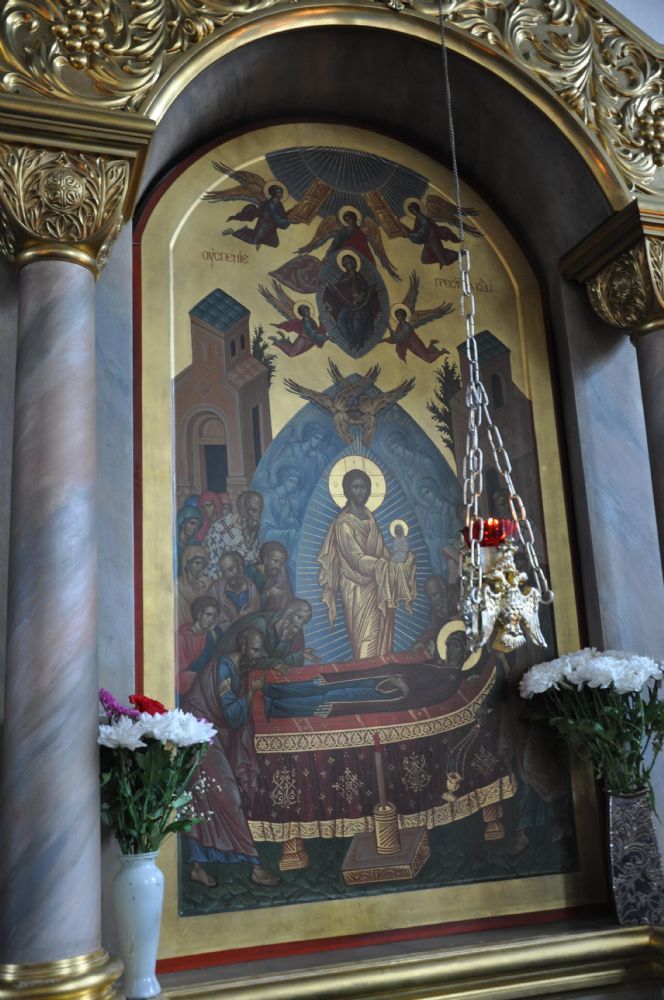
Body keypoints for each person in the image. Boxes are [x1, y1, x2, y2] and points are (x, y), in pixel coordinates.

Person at [182, 627, 280, 888]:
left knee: (204, 798)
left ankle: (197, 866)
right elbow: (232, 715)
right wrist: (251, 693)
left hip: (210, 733)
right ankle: (255, 866)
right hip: (201, 735)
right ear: (243, 647)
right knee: (228, 796)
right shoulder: (224, 669)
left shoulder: (235, 667)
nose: (259, 655)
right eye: (255, 649)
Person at [317, 469, 417, 659]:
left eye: (364, 487)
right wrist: (385, 566)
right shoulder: (343, 524)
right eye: (356, 487)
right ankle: (365, 673)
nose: (360, 491)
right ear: (348, 490)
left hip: (378, 583)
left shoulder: (369, 517)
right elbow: (356, 559)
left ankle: (382, 672)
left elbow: (380, 550)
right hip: (357, 588)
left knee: (382, 637)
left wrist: (397, 561)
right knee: (366, 637)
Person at [218, 599, 319, 673]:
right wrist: (273, 664)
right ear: (289, 611)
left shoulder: (286, 637)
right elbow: (252, 658)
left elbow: (280, 663)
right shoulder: (260, 623)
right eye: (299, 617)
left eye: (304, 621)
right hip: (230, 671)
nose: (300, 624)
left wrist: (300, 655)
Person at [322, 254, 380, 353]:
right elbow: (338, 289)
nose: (347, 266)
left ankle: (358, 344)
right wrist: (329, 286)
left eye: (348, 263)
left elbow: (366, 290)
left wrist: (363, 299)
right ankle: (351, 341)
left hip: (360, 306)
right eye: (345, 264)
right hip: (346, 305)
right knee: (340, 322)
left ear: (354, 264)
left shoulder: (359, 277)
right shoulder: (344, 277)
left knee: (357, 322)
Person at [205, 490, 263, 577]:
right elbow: (212, 568)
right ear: (243, 510)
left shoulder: (253, 529)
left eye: (260, 512)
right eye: (254, 511)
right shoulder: (217, 530)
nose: (257, 517)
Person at [176, 596, 222, 696]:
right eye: (208, 615)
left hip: (208, 678)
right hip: (189, 682)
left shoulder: (214, 633)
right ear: (199, 614)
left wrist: (213, 637)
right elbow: (180, 673)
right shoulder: (182, 636)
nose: (211, 620)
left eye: (214, 617)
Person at [222, 184, 292, 249]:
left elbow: (282, 215)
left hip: (272, 227)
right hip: (264, 226)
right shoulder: (270, 205)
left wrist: (291, 213)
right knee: (254, 241)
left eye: (281, 192)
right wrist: (289, 221)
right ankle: (234, 232)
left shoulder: (279, 204)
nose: (281, 194)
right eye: (279, 192)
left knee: (274, 243)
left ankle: (258, 238)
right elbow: (278, 220)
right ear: (274, 194)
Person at [207, 550, 261, 630]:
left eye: (231, 569)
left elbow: (257, 617)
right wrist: (238, 618)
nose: (228, 575)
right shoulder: (215, 590)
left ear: (240, 568)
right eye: (224, 572)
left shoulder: (252, 589)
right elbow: (210, 622)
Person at [405, 200, 460, 268]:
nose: (412, 212)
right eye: (411, 211)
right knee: (425, 260)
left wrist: (411, 234)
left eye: (413, 209)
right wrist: (409, 233)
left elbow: (422, 232)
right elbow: (416, 231)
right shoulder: (417, 220)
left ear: (417, 208)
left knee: (444, 262)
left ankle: (458, 254)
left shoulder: (423, 219)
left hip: (433, 241)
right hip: (427, 243)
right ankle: (442, 254)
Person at [246, 540, 295, 611]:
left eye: (281, 563)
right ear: (265, 559)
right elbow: (246, 602)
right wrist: (268, 594)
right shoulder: (250, 572)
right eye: (275, 561)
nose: (278, 566)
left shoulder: (279, 573)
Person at [411, 575, 448, 656]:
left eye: (435, 595)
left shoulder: (456, 599)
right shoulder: (435, 610)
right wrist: (421, 641)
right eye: (430, 598)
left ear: (444, 589)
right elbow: (431, 628)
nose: (433, 600)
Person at [177, 544, 211, 625]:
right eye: (197, 563)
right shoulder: (177, 584)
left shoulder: (206, 584)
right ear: (188, 563)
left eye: (203, 565)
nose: (200, 568)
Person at [176, 505, 204, 575]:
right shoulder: (174, 545)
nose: (195, 528)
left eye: (198, 526)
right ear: (183, 523)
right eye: (192, 523)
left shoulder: (196, 545)